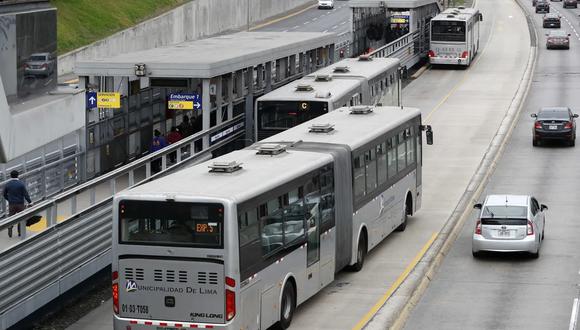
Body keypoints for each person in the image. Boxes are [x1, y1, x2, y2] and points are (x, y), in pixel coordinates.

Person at [3, 170, 32, 237]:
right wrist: (30, 202)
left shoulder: (8, 184)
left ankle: (10, 228)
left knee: (11, 218)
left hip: (11, 204)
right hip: (20, 204)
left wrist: (9, 199)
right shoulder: (21, 184)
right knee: (21, 218)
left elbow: (4, 194)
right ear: (17, 175)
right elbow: (26, 194)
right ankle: (20, 232)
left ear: (10, 176)